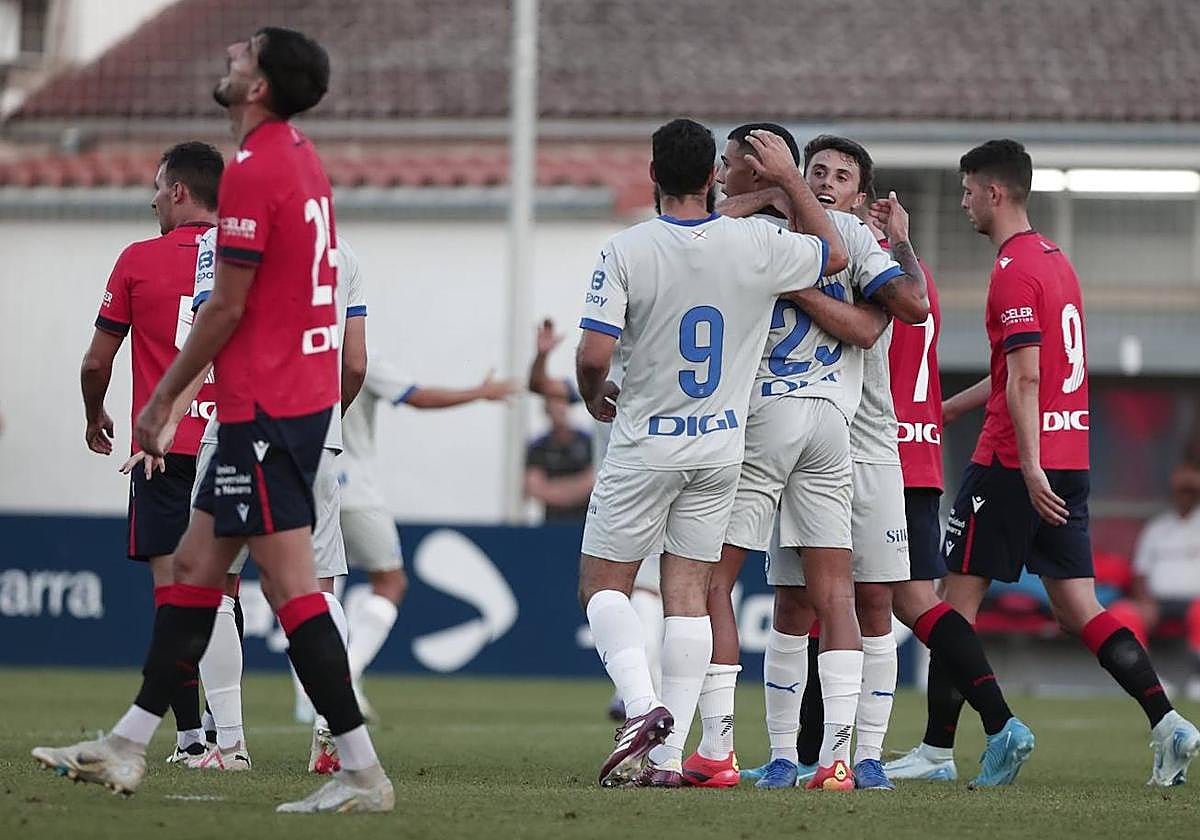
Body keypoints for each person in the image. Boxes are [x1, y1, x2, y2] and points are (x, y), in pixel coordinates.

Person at [33, 27, 394, 813]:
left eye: (245, 53)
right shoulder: (299, 160)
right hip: (277, 408)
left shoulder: (259, 170)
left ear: (260, 85)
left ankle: (363, 773)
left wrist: (162, 400)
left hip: (264, 410)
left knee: (293, 591)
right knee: (199, 573)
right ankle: (129, 744)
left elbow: (229, 304)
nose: (231, 53)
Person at [578, 118, 848, 789]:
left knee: (602, 586)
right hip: (721, 447)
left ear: (652, 176)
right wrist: (788, 179)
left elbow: (593, 355)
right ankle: (668, 761)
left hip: (646, 445)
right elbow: (834, 255)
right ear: (711, 177)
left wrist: (593, 393)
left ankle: (644, 710)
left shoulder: (627, 249)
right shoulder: (756, 243)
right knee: (688, 596)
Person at [933, 138, 1199, 787]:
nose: (963, 202)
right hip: (1069, 456)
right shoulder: (1056, 261)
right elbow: (1018, 374)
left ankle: (947, 751)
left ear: (995, 192)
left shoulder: (1012, 269)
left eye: (967, 190)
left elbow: (1023, 380)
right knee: (1077, 607)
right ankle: (1168, 722)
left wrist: (1025, 467)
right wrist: (952, 408)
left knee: (949, 605)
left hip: (1015, 464)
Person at [696, 126, 925, 792]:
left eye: (840, 174)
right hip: (831, 423)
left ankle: (719, 750)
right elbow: (883, 310)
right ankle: (824, 761)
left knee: (716, 584)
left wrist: (785, 281)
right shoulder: (840, 240)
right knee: (819, 600)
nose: (826, 181)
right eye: (815, 172)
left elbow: (899, 311)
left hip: (783, 422)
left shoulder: (741, 236)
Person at [180, 229, 368, 777]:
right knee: (320, 584)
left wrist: (168, 411)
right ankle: (330, 721)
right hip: (316, 431)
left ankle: (231, 746)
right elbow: (354, 363)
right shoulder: (343, 250)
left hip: (243, 422)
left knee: (210, 581)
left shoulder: (220, 240)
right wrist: (327, 418)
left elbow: (206, 333)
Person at [81, 141, 223, 764]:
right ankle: (237, 733)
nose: (153, 198)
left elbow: (95, 362)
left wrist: (96, 414)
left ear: (181, 192)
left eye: (160, 187)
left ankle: (194, 738)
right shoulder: (247, 260)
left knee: (176, 601)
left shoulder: (138, 260)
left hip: (165, 452)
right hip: (240, 443)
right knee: (268, 592)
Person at [339, 355, 516, 718]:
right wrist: (478, 393)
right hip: (354, 490)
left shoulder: (299, 352)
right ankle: (346, 674)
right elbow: (416, 397)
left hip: (302, 487)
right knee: (390, 582)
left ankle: (312, 695)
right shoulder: (356, 358)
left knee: (315, 591)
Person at [529, 318, 664, 720]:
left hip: (625, 485)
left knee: (623, 591)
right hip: (682, 475)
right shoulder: (665, 364)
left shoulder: (607, 371)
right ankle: (650, 696)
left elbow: (554, 381)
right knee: (660, 593)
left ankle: (637, 696)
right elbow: (542, 387)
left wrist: (546, 356)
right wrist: (541, 355)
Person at [1125, 462, 1200, 700]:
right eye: (1181, 491)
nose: (1185, 496)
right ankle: (1149, 682)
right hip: (1158, 601)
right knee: (1125, 614)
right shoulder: (1157, 528)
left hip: (1195, 601)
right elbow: (1139, 573)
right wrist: (1144, 600)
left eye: (1191, 491)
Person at [525, 395, 594, 521]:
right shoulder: (538, 446)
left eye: (562, 402)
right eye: (554, 402)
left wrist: (554, 489)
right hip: (551, 523)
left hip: (584, 521)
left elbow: (594, 480)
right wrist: (574, 490)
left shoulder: (587, 441)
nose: (558, 408)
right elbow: (534, 487)